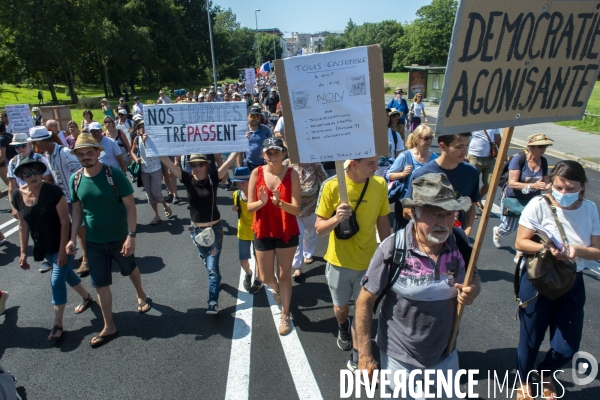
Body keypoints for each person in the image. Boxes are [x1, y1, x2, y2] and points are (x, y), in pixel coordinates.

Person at [355, 173, 481, 396]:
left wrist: (472, 291)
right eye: (435, 214)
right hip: (400, 355)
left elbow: (473, 278)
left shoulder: (460, 241)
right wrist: (365, 355)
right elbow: (365, 301)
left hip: (445, 351)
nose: (444, 222)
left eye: (449, 214)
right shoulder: (393, 248)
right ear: (413, 213)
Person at [515, 160, 600, 400]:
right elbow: (521, 242)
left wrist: (577, 250)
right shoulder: (538, 205)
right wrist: (547, 248)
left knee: (567, 346)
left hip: (572, 279)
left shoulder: (590, 209)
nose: (563, 193)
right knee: (530, 337)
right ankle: (523, 381)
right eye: (559, 187)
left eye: (570, 188)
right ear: (551, 183)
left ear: (582, 186)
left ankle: (545, 372)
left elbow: (598, 250)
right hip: (538, 278)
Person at [67, 133, 151, 348]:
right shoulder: (75, 179)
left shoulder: (113, 174)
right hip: (93, 242)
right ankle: (109, 325)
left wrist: (131, 236)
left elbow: (131, 206)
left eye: (89, 152)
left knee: (129, 269)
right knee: (100, 283)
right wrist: (72, 239)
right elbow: (77, 210)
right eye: (81, 154)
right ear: (76, 156)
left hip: (119, 238)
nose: (86, 157)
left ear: (98, 153)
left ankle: (141, 294)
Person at [315, 156, 391, 369]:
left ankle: (358, 355)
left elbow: (383, 220)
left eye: (376, 162)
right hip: (339, 262)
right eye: (371, 164)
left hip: (368, 263)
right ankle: (342, 325)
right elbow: (319, 229)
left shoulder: (379, 184)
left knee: (362, 309)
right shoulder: (331, 186)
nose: (377, 167)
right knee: (340, 308)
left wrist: (388, 256)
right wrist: (336, 219)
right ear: (353, 163)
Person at [12, 156, 93, 341]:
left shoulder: (53, 191)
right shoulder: (18, 195)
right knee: (66, 274)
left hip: (62, 243)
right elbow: (22, 226)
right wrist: (23, 252)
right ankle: (87, 297)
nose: (33, 176)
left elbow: (65, 222)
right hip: (44, 246)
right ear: (20, 176)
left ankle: (57, 324)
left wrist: (64, 249)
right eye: (28, 173)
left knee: (57, 280)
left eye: (37, 172)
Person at [159, 152, 239, 314]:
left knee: (212, 267)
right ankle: (216, 281)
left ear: (206, 165)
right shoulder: (187, 179)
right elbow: (167, 161)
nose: (196, 168)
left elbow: (230, 160)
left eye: (200, 164)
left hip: (214, 230)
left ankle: (212, 301)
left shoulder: (213, 178)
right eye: (193, 165)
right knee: (206, 262)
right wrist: (153, 145)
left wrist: (239, 145)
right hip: (196, 232)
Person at [247, 138, 301, 335]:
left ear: (283, 154)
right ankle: (277, 289)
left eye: (276, 152)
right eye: (269, 153)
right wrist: (262, 202)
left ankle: (285, 314)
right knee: (266, 276)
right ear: (263, 155)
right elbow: (249, 206)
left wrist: (279, 203)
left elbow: (295, 209)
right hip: (263, 228)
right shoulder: (256, 173)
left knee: (285, 275)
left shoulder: (292, 174)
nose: (272, 156)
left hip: (286, 230)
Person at [27, 127, 90, 276]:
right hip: (63, 198)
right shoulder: (48, 154)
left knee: (80, 229)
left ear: (41, 141)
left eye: (34, 142)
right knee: (77, 229)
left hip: (75, 198)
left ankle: (87, 258)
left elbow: (81, 172)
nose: (34, 145)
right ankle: (88, 253)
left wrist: (79, 197)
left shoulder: (64, 153)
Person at [404, 133, 479, 236]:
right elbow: (406, 211)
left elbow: (471, 207)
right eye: (459, 146)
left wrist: (466, 232)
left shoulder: (471, 173)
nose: (465, 151)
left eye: (467, 145)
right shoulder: (421, 174)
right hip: (428, 239)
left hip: (455, 239)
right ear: (443, 146)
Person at [493, 133, 552, 261]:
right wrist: (532, 186)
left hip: (532, 201)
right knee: (509, 227)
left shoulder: (543, 161)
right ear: (530, 147)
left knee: (529, 228)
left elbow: (545, 182)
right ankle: (498, 232)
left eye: (545, 147)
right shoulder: (519, 159)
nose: (543, 150)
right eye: (540, 146)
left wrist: (550, 187)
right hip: (514, 198)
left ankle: (520, 253)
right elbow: (512, 183)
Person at [282, 160, 328, 281]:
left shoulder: (316, 165)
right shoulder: (287, 164)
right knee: (297, 238)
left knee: (311, 234)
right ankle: (297, 267)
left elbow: (325, 184)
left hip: (312, 208)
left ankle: (308, 253)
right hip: (294, 210)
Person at [387, 124, 439, 230]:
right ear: (417, 140)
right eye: (426, 138)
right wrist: (402, 174)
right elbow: (389, 174)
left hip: (427, 203)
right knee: (403, 233)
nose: (429, 141)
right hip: (406, 203)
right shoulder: (405, 156)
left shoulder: (435, 158)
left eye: (431, 137)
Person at [130, 120, 173, 225]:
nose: (142, 128)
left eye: (145, 126)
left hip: (156, 168)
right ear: (137, 129)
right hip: (144, 170)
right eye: (140, 126)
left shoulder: (155, 139)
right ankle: (156, 216)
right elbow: (132, 151)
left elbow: (162, 151)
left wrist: (165, 171)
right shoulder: (136, 139)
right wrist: (136, 159)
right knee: (149, 194)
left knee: (156, 192)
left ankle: (165, 205)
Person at [231, 167, 257, 292]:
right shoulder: (236, 195)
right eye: (237, 182)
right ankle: (248, 273)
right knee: (243, 260)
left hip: (258, 231)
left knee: (260, 259)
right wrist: (235, 208)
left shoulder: (257, 194)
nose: (240, 185)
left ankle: (259, 280)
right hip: (243, 231)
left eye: (243, 182)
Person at [468, 128, 502, 213]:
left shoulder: (495, 124)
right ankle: (470, 210)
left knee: (490, 183)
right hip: (474, 157)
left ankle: (477, 198)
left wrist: (503, 156)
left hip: (490, 158)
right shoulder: (475, 122)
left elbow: (498, 139)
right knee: (470, 184)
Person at [237, 106, 273, 170]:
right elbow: (239, 152)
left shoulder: (266, 130)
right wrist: (240, 168)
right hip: (248, 165)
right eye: (252, 116)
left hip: (264, 165)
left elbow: (271, 147)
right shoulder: (243, 131)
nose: (254, 119)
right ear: (247, 116)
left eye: (257, 116)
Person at [0, 123, 17, 197]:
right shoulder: (10, 135)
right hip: (16, 160)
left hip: (9, 163)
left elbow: (2, 155)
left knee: (11, 184)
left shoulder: (1, 140)